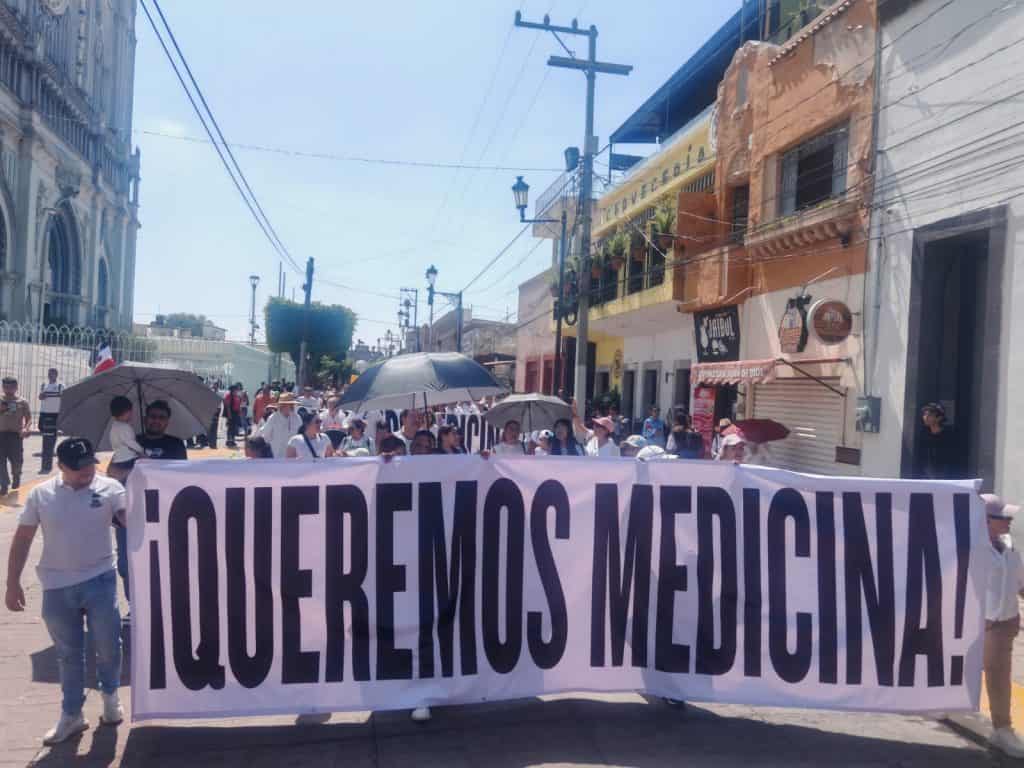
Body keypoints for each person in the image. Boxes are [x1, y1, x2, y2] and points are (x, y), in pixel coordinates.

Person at [5, 437, 125, 744]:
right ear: (61, 466)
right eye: (78, 467)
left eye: (89, 465)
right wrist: (12, 582)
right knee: (69, 654)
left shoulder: (111, 488)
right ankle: (72, 714)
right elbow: (23, 538)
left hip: (100, 578)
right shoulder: (41, 494)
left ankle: (111, 696)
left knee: (108, 644)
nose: (86, 471)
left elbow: (132, 521)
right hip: (56, 585)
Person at [981, 493, 1024, 757]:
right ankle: (945, 704)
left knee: (999, 677)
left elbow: (1021, 583)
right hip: (975, 624)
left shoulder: (1009, 547)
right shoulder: (970, 548)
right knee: (956, 670)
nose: (1009, 520)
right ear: (985, 520)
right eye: (1003, 516)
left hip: (1003, 624)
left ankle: (1002, 729)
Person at [0, 376, 31, 495]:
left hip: (16, 436)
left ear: (16, 387)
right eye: (5, 387)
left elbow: (28, 418)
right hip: (1, 435)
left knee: (17, 462)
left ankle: (16, 476)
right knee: (0, 462)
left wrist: (26, 428)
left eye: (11, 387)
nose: (8, 390)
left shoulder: (22, 402)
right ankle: (4, 484)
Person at [105, 396, 145, 484]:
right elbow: (130, 442)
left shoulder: (114, 427)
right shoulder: (124, 427)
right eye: (130, 411)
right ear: (127, 412)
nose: (131, 414)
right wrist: (141, 451)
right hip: (128, 459)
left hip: (118, 460)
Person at [917, 402, 958, 479]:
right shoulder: (923, 435)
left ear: (939, 418)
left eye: (929, 415)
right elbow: (922, 458)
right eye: (925, 414)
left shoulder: (949, 436)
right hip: (926, 477)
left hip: (945, 477)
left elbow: (950, 459)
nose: (925, 417)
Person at [260, 392, 303, 458]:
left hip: (294, 456)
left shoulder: (297, 417)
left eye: (292, 404)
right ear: (282, 405)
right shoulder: (273, 418)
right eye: (290, 404)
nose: (292, 406)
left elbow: (301, 435)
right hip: (278, 455)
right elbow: (266, 437)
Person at [38, 368, 63, 473]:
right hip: (44, 414)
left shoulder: (60, 386)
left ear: (56, 375)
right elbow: (40, 397)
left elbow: (63, 397)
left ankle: (47, 466)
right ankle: (46, 465)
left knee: (50, 440)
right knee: (46, 440)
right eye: (49, 373)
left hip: (54, 415)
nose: (50, 375)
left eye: (52, 374)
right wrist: (42, 395)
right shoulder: (44, 385)